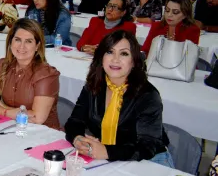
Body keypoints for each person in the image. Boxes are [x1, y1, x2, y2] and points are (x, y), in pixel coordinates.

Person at [65, 31, 172, 164]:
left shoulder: (148, 95)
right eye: (110, 52)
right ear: (101, 57)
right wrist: (77, 139)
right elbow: (74, 121)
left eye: (124, 53)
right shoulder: (94, 85)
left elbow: (147, 146)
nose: (115, 59)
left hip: (148, 162)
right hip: (108, 159)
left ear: (134, 61)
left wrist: (107, 152)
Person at [0, 18, 61, 129]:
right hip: (10, 128)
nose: (21, 46)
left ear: (37, 46)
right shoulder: (3, 65)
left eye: (28, 41)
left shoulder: (46, 75)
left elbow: (37, 118)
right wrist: (9, 112)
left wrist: (2, 108)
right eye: (17, 40)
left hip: (42, 135)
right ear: (10, 42)